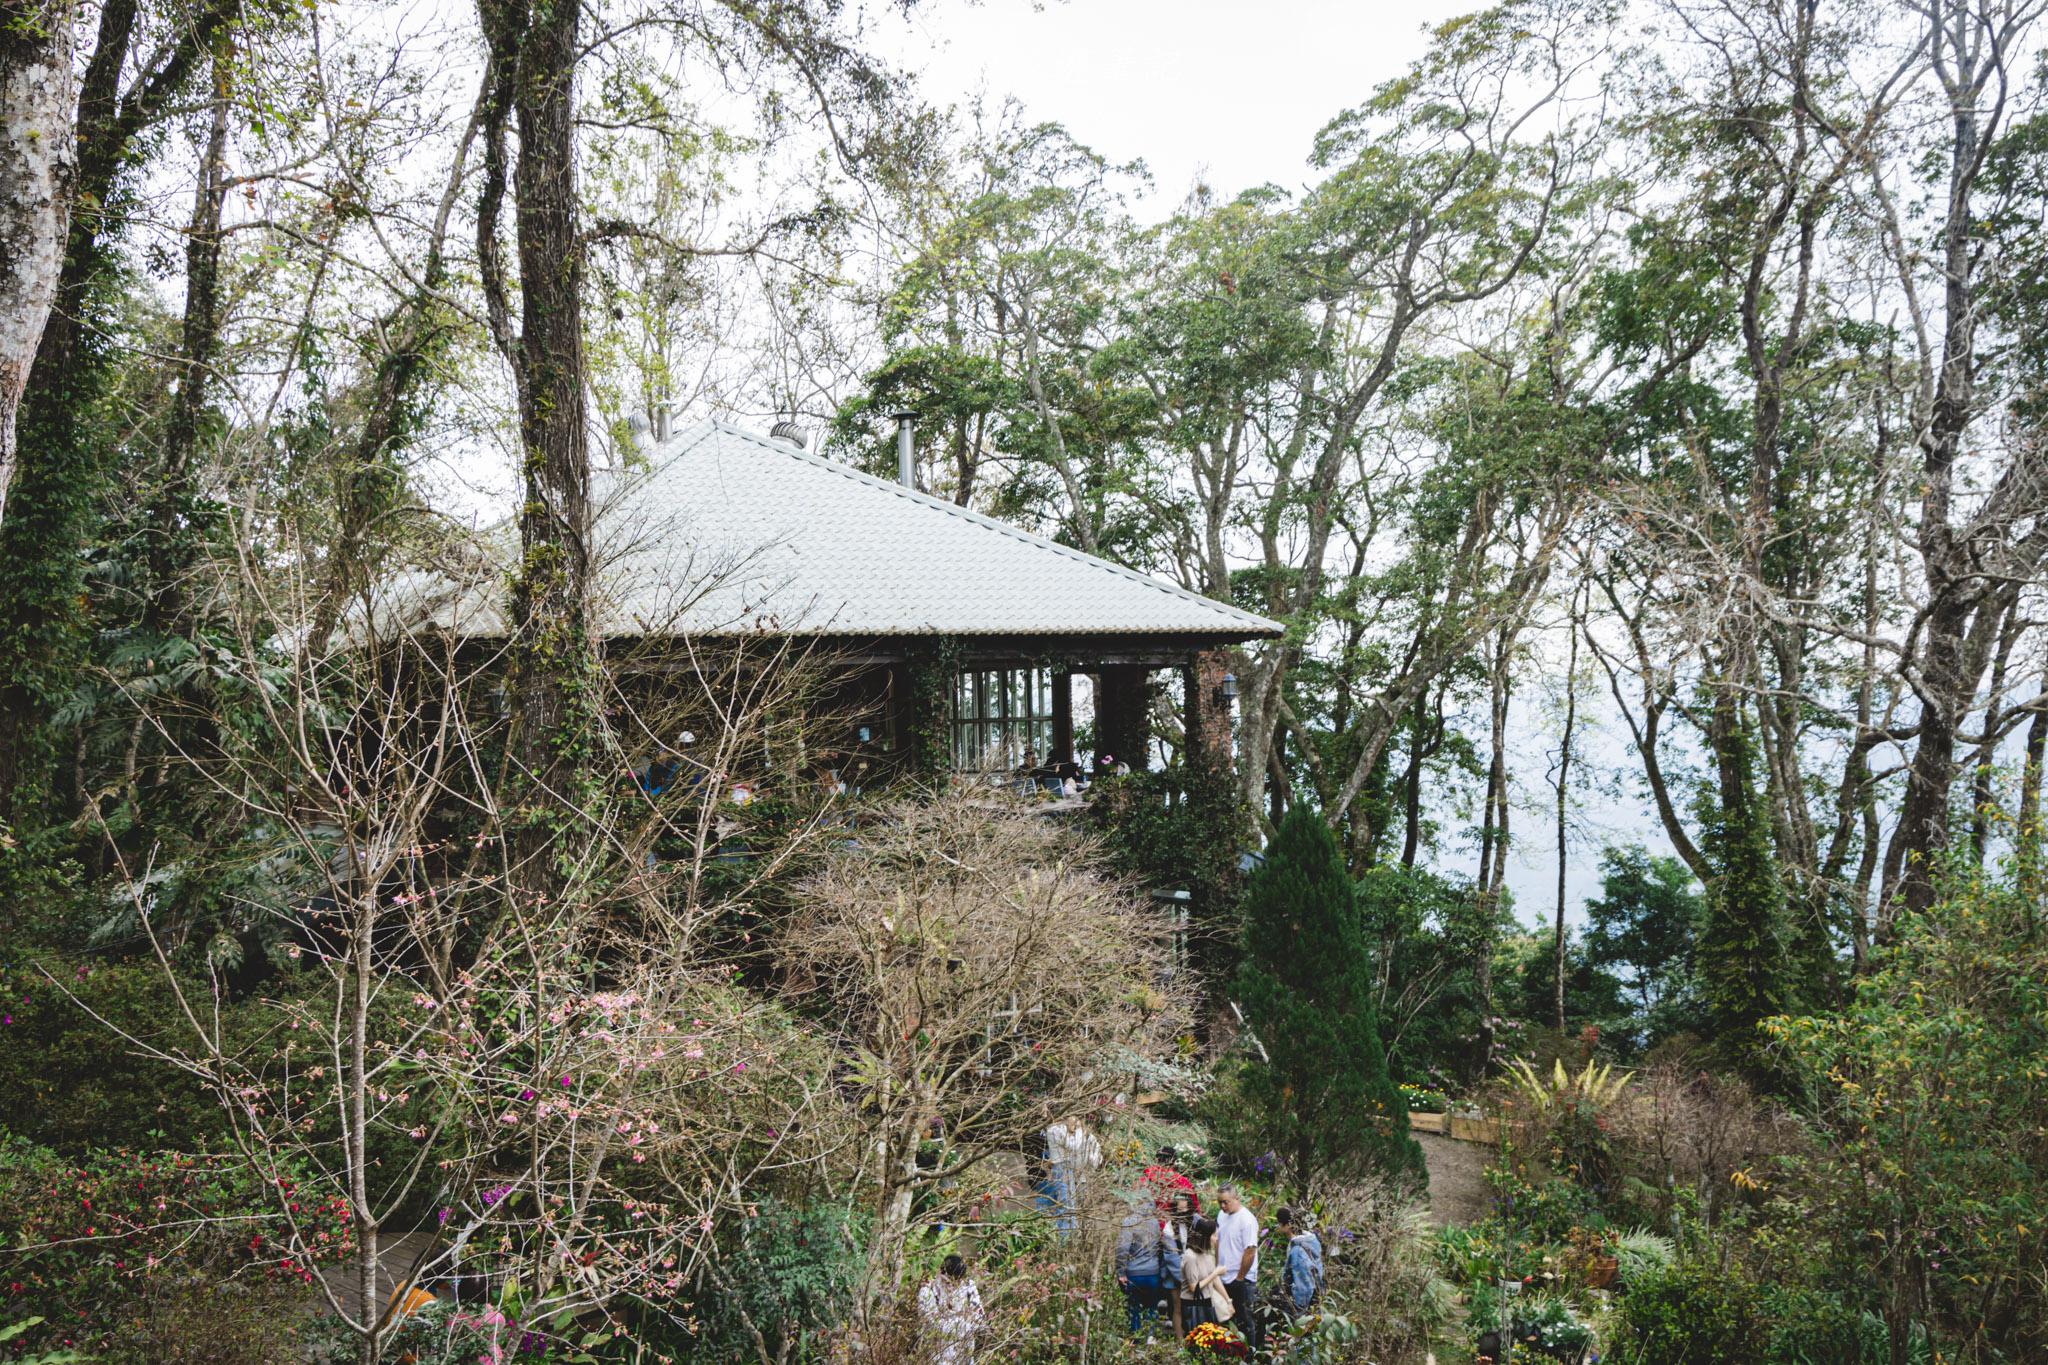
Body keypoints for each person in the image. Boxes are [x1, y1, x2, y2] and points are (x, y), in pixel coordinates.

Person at [1115, 1201, 1183, 1338]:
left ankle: (1136, 1340)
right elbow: (1159, 1248)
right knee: (1151, 1308)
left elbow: (1122, 1248)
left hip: (1134, 1273)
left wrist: (1121, 1271)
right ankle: (1149, 1338)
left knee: (1134, 1309)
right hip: (1153, 1272)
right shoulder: (1154, 1223)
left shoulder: (1129, 1221)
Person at [1215, 1185, 1263, 1352]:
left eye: (1225, 1202)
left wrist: (1240, 1278)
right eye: (1219, 1202)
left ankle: (1249, 1355)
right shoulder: (1222, 1215)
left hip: (1243, 1278)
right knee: (1227, 1318)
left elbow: (1250, 1250)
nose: (1222, 1206)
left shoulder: (1247, 1219)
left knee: (1245, 1319)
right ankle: (1231, 1353)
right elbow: (1218, 1243)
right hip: (1224, 1276)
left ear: (1236, 1199)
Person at [918, 1254, 984, 1365]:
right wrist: (963, 1318)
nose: (952, 1287)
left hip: (965, 1357)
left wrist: (948, 1318)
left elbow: (979, 1318)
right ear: (940, 1273)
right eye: (948, 1282)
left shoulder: (969, 1287)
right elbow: (933, 1326)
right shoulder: (928, 1291)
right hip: (938, 1357)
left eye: (957, 1283)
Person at [1044, 1116, 1100, 1238]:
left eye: (1076, 1123)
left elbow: (1093, 1157)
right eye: (1073, 1122)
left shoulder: (1062, 1131)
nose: (1074, 1126)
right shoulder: (1054, 1130)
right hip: (1062, 1169)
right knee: (1066, 1203)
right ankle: (1067, 1235)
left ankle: (1074, 1233)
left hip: (1073, 1171)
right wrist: (1079, 1130)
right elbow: (1073, 1146)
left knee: (1073, 1203)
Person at [1177, 1216, 1234, 1331]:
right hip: (1192, 1305)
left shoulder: (1207, 1253)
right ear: (1205, 1237)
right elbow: (1194, 1287)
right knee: (1196, 1340)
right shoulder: (1190, 1256)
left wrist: (1228, 1301)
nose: (1216, 1239)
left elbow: (1215, 1279)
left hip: (1207, 1300)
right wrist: (1215, 1273)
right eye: (1214, 1235)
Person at [1273, 1206, 1325, 1319]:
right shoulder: (1311, 1241)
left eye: (1279, 1223)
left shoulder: (1297, 1251)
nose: (1277, 1226)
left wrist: (1297, 1311)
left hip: (1303, 1308)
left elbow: (1304, 1285)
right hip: (1316, 1300)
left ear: (1288, 1225)